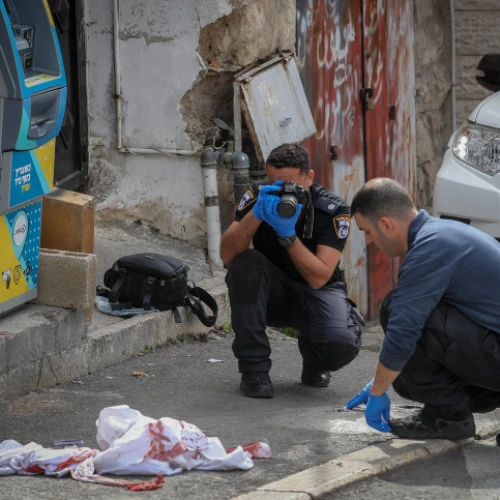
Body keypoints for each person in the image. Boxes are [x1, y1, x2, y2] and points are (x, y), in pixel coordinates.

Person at [346, 177, 500, 439]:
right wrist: (383, 378)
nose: (370, 241)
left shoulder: (429, 248)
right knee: (403, 373)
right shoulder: (442, 233)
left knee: (396, 309)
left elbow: (404, 331)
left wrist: (377, 392)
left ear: (385, 224)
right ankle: (446, 409)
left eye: (367, 231)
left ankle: (449, 418)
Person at [220, 143, 364, 398]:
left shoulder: (331, 209)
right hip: (272, 294)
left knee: (339, 345)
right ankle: (254, 370)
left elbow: (319, 278)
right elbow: (226, 254)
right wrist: (257, 213)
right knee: (244, 263)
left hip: (316, 292)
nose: (284, 193)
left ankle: (315, 358)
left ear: (309, 178)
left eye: (291, 186)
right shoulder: (259, 196)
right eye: (275, 184)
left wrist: (287, 234)